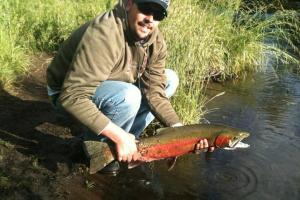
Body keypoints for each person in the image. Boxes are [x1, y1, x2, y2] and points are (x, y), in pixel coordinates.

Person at [46, 0, 214, 175]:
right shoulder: (105, 33)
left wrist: (183, 133)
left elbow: (154, 92)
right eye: (146, 9)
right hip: (66, 94)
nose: (150, 19)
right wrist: (119, 136)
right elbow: (72, 96)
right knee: (129, 96)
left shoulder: (155, 40)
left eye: (158, 14)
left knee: (170, 79)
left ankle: (131, 145)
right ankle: (100, 149)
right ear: (128, 4)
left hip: (110, 86)